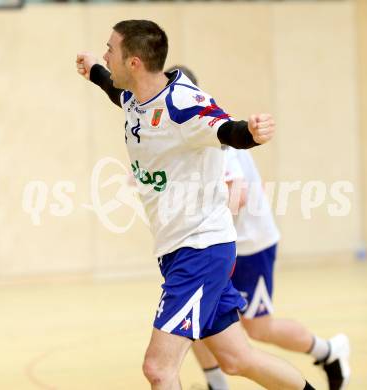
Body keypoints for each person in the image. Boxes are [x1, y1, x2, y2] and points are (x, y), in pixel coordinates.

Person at [76, 19, 316, 389]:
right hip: (179, 251)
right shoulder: (135, 97)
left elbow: (226, 130)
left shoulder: (184, 104)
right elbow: (112, 87)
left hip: (200, 250)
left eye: (111, 49)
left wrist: (249, 133)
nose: (107, 54)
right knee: (238, 360)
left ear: (134, 62)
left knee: (159, 368)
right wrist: (93, 68)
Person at [166, 65, 350, 390]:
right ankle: (215, 384)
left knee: (258, 329)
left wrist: (191, 210)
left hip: (248, 245)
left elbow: (238, 196)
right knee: (191, 315)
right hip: (214, 247)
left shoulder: (209, 128)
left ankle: (329, 351)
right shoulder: (178, 134)